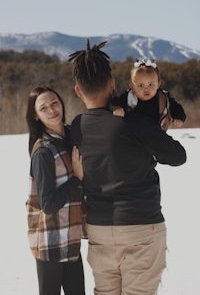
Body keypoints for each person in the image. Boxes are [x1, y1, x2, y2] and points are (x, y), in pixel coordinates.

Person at [68, 40, 187, 295]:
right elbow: (178, 156)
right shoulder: (135, 123)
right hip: (141, 226)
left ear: (78, 90)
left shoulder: (76, 128)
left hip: (99, 229)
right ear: (113, 84)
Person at [26, 86, 85, 295]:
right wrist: (76, 179)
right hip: (50, 243)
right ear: (36, 115)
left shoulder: (71, 136)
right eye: (44, 108)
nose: (52, 110)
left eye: (54, 103)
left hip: (70, 236)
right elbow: (47, 204)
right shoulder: (43, 151)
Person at [110, 58, 186, 131]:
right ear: (132, 86)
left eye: (150, 85)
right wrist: (117, 108)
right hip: (133, 137)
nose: (146, 89)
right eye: (141, 85)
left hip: (156, 136)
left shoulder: (163, 98)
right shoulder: (129, 97)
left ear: (158, 84)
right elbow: (114, 102)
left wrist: (179, 118)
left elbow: (177, 108)